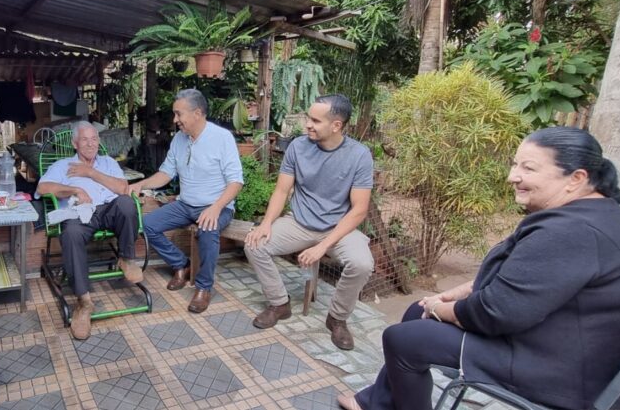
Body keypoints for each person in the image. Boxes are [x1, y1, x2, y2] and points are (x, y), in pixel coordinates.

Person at [337, 127, 620, 410]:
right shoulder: (595, 214)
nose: (513, 176)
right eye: (515, 164)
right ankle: (375, 403)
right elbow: (527, 281)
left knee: (403, 340)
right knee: (417, 311)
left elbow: (497, 312)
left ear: (576, 178)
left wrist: (442, 308)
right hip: (549, 336)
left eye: (528, 168)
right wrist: (457, 294)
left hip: (555, 367)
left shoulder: (572, 232)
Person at [243, 94, 374, 350]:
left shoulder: (359, 155)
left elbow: (359, 210)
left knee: (362, 264)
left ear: (336, 125)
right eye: (308, 118)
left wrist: (323, 246)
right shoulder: (298, 147)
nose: (308, 125)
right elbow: (282, 191)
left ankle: (337, 319)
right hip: (299, 223)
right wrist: (266, 223)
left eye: (315, 120)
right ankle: (280, 304)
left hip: (339, 229)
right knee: (255, 244)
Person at [129, 89, 243, 314]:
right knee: (148, 225)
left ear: (197, 113)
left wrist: (215, 208)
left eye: (178, 114)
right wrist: (141, 184)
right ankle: (181, 264)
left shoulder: (222, 138)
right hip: (186, 204)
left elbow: (236, 182)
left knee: (207, 229)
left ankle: (204, 287)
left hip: (217, 205)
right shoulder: (179, 140)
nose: (175, 120)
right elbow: (166, 173)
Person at [37, 122, 141, 340]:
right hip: (81, 213)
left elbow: (123, 189)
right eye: (84, 139)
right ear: (75, 144)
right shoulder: (63, 165)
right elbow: (43, 188)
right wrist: (74, 189)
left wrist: (91, 173)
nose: (90, 144)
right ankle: (84, 302)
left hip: (109, 210)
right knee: (71, 233)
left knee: (126, 203)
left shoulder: (108, 162)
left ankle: (126, 258)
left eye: (94, 139)